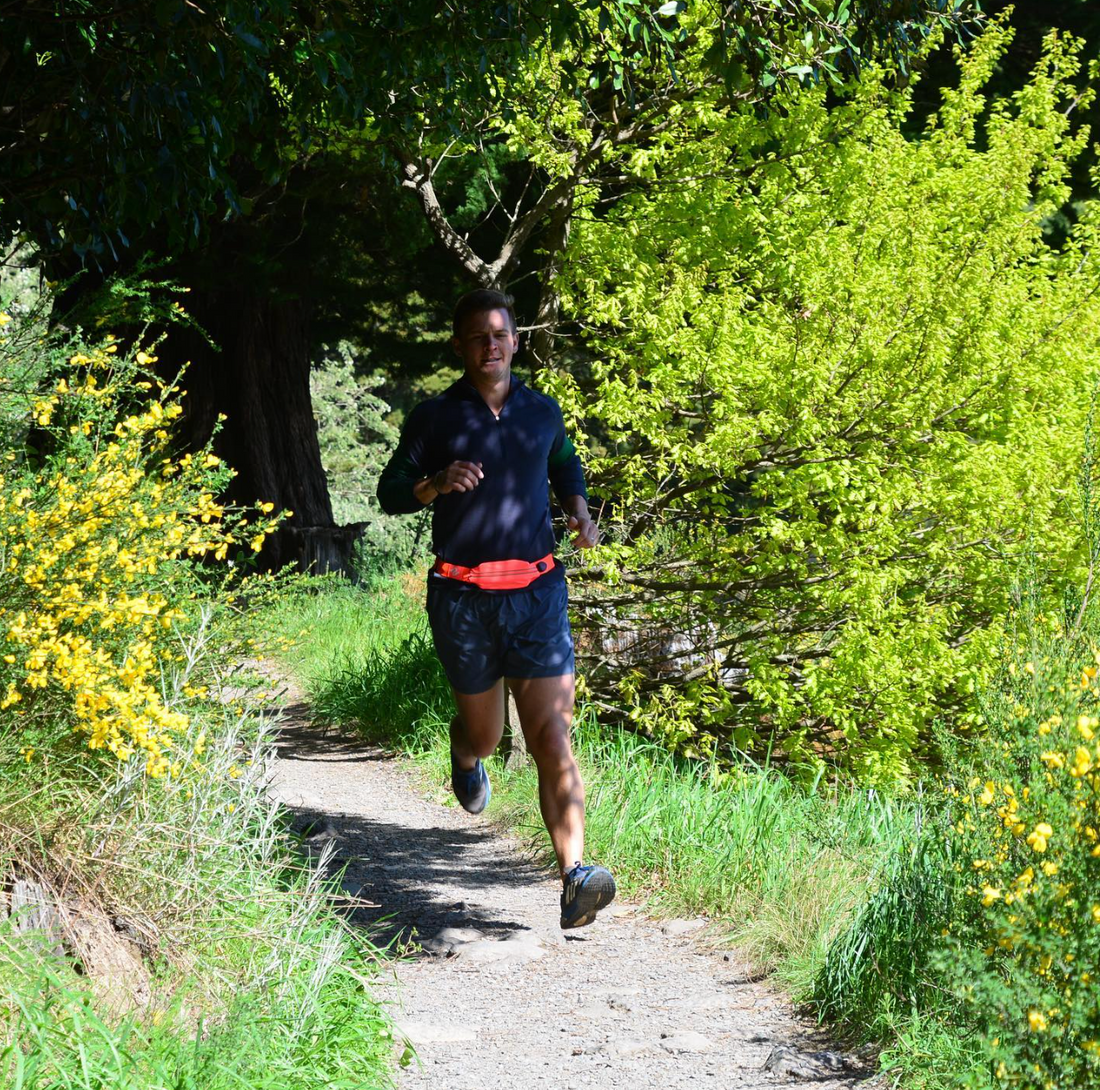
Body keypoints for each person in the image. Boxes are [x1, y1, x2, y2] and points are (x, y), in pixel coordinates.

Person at [376, 288, 615, 930]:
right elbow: (391, 491)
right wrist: (433, 483)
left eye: (501, 334)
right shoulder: (435, 417)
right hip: (463, 599)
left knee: (552, 738)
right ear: (461, 346)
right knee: (486, 733)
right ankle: (466, 751)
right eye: (478, 336)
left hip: (537, 594)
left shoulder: (542, 412)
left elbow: (564, 465)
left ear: (514, 341)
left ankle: (575, 878)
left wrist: (580, 511)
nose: (491, 345)